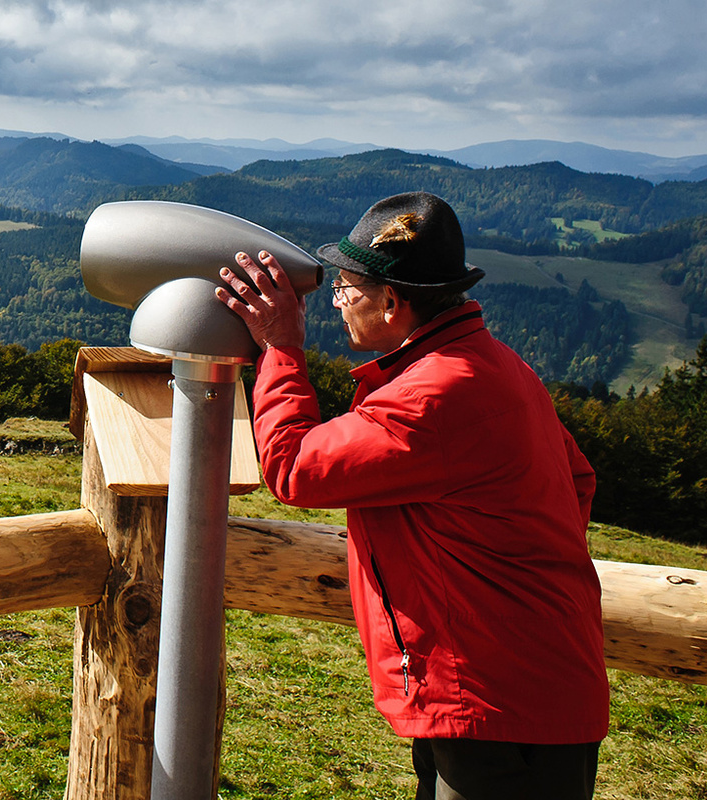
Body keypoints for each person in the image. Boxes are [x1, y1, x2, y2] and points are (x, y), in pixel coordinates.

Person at [215, 191, 610, 800]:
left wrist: (279, 349)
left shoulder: (430, 396)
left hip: (495, 701)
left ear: (393, 302)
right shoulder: (495, 365)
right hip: (529, 684)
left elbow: (293, 469)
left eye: (347, 289)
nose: (340, 303)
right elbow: (577, 479)